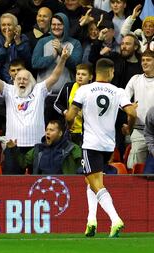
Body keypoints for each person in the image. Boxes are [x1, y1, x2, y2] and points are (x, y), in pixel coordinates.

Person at [65, 58, 137, 238]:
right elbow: (132, 112)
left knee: (96, 184)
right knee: (91, 180)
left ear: (96, 72)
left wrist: (69, 123)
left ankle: (115, 219)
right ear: (110, 72)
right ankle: (91, 221)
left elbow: (70, 116)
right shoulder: (118, 91)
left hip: (90, 144)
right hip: (108, 145)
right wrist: (130, 127)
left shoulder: (84, 90)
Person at [0, 45, 71, 174]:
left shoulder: (39, 89)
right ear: (14, 80)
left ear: (31, 81)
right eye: (18, 79)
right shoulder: (9, 90)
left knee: (36, 183)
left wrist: (62, 59)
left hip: (37, 146)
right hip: (13, 145)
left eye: (25, 79)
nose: (21, 81)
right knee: (12, 183)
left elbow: (55, 76)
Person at [32, 12, 82, 123]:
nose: (56, 27)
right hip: (44, 95)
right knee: (44, 127)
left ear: (66, 25)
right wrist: (52, 57)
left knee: (64, 129)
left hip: (65, 96)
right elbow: (35, 63)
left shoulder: (75, 43)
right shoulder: (42, 42)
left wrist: (61, 52)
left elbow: (76, 66)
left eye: (59, 24)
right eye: (53, 24)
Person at [6, 120, 82, 174]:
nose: (48, 132)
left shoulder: (71, 148)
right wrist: (14, 149)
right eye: (47, 130)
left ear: (60, 133)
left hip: (66, 186)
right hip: (42, 187)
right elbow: (23, 162)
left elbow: (82, 165)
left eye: (51, 130)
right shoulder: (38, 149)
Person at [125, 49, 154, 169]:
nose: (145, 63)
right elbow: (123, 99)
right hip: (139, 130)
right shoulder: (135, 79)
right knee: (133, 166)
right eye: (143, 60)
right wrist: (129, 107)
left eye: (148, 60)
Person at [54, 63, 93, 146]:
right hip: (70, 131)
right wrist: (65, 112)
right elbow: (56, 103)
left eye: (83, 74)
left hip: (87, 132)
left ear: (90, 77)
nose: (80, 76)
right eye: (78, 74)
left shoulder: (93, 91)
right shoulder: (68, 87)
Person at [0, 12, 31, 83]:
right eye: (3, 25)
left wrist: (18, 42)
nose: (6, 28)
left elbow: (27, 60)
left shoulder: (23, 38)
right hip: (1, 80)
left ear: (16, 26)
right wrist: (6, 44)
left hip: (21, 80)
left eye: (9, 25)